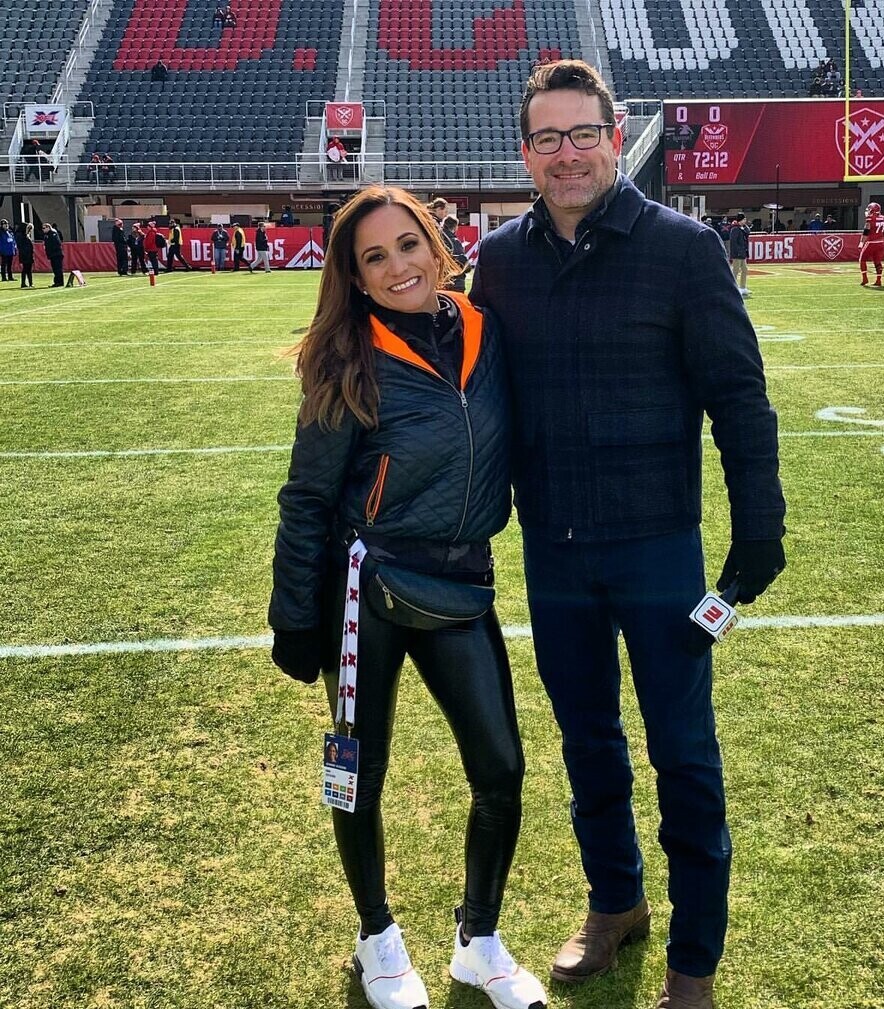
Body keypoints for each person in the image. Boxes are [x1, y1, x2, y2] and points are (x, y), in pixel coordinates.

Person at [470, 59, 785, 1009]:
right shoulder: (500, 260)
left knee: (683, 752)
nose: (567, 154)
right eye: (547, 139)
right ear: (526, 154)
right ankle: (616, 901)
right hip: (554, 551)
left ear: (615, 139)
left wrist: (759, 525)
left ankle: (695, 959)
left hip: (658, 550)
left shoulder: (684, 249)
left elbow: (739, 397)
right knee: (587, 742)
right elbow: (478, 402)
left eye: (583, 134)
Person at [268, 186, 547, 1009]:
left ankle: (478, 940)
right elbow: (307, 497)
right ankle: (376, 936)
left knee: (501, 768)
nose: (397, 267)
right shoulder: (347, 355)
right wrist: (294, 615)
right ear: (354, 277)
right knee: (355, 770)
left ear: (437, 242)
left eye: (408, 244)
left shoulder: (486, 330)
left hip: (463, 578)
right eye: (374, 257)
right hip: (365, 587)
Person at [859, 201, 884, 287]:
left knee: (862, 260)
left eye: (869, 209)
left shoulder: (870, 218)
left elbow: (866, 231)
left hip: (872, 242)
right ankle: (878, 280)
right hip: (880, 242)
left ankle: (865, 279)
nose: (868, 211)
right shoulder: (882, 218)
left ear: (872, 210)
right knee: (877, 261)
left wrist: (861, 242)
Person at [440, 216, 470, 291]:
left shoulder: (438, 240)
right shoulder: (454, 242)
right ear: (455, 227)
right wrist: (467, 264)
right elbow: (461, 262)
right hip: (455, 281)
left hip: (441, 281)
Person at [727, 212, 751, 296]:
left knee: (744, 270)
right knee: (735, 271)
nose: (745, 221)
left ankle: (742, 287)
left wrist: (745, 226)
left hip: (742, 253)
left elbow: (748, 232)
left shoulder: (742, 228)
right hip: (737, 254)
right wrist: (738, 251)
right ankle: (732, 288)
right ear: (740, 220)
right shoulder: (735, 229)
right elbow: (733, 242)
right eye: (744, 219)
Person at [42, 223, 64, 287]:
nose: (43, 229)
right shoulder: (47, 235)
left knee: (58, 269)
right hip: (52, 254)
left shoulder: (53, 234)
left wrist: (50, 250)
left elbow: (57, 243)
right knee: (55, 269)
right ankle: (57, 282)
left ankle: (59, 282)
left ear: (48, 228)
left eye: (44, 228)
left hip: (56, 254)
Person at [16, 222, 35, 288]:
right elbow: (21, 245)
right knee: (26, 269)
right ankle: (26, 283)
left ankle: (28, 283)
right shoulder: (21, 235)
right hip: (25, 254)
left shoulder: (24, 235)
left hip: (28, 254)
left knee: (27, 269)